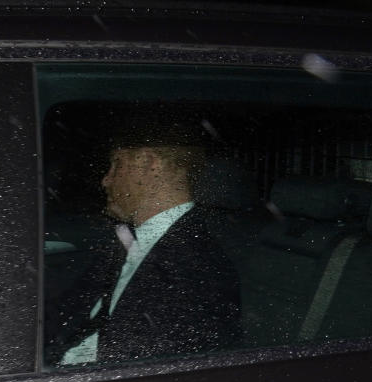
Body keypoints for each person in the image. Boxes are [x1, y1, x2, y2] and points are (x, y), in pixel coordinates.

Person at [59, 114, 240, 366]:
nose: (106, 179)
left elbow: (144, 370)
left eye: (116, 164)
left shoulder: (197, 267)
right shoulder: (130, 241)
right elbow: (70, 314)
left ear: (149, 163)